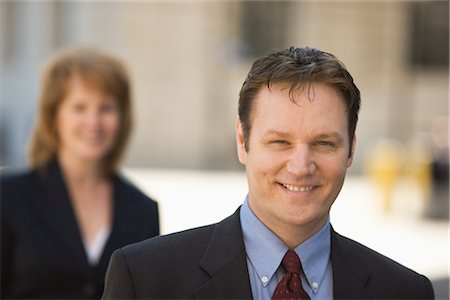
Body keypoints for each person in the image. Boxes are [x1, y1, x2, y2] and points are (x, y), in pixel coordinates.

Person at [102, 47, 434, 299]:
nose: (301, 166)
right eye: (279, 141)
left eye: (323, 143)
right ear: (243, 142)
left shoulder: (405, 291)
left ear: (351, 149)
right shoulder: (146, 280)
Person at [0, 47, 160, 299]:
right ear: (53, 116)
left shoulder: (143, 210)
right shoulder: (8, 196)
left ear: (122, 117)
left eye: (106, 108)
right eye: (79, 107)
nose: (93, 122)